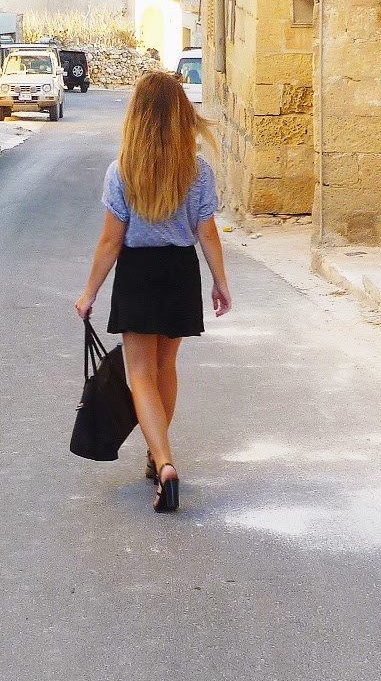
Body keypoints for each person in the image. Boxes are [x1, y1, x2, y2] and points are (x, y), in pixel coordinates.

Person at [75, 70, 232, 513]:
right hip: (180, 272)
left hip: (138, 274)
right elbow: (207, 232)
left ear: (138, 116)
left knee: (140, 374)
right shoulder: (197, 171)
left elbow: (110, 242)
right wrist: (220, 282)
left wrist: (89, 293)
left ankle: (163, 463)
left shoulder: (122, 171)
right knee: (166, 367)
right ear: (180, 115)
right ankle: (156, 452)